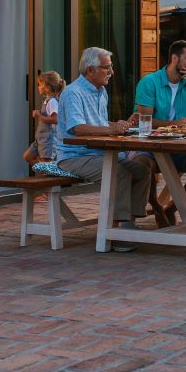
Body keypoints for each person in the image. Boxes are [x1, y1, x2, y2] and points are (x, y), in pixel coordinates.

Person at [56, 47, 151, 251]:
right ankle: (113, 232)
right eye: (106, 68)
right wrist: (110, 129)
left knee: (142, 170)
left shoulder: (100, 91)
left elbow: (97, 123)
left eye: (111, 67)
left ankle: (128, 224)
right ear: (90, 70)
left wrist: (119, 125)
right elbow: (78, 128)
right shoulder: (73, 93)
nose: (111, 72)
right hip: (74, 156)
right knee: (119, 172)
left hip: (98, 154)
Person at [133, 40, 186, 224]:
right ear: (174, 58)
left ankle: (172, 207)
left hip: (180, 147)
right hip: (151, 145)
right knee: (141, 164)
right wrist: (174, 124)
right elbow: (145, 120)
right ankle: (157, 207)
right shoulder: (149, 82)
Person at [23, 71, 64, 170]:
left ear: (48, 88)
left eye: (40, 85)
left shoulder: (52, 101)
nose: (38, 87)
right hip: (40, 139)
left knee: (46, 166)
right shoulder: (47, 100)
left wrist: (39, 116)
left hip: (47, 141)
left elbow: (55, 119)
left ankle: (47, 174)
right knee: (27, 156)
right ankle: (45, 171)